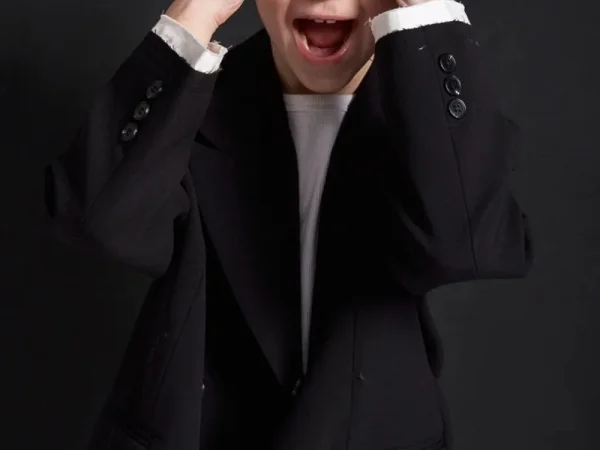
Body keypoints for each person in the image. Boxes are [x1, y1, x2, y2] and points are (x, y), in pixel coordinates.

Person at [44, 0, 533, 448]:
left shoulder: (432, 119)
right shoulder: (191, 98)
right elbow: (98, 223)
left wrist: (425, 16)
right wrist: (195, 14)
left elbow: (465, 243)